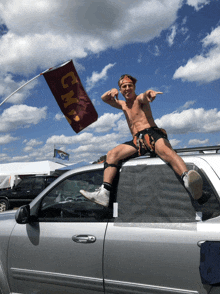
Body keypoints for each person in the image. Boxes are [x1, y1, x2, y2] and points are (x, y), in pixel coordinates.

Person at [80, 74, 203, 207]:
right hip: (137, 141)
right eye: (123, 86)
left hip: (152, 134)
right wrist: (110, 91)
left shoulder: (139, 99)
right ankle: (104, 193)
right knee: (112, 154)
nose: (127, 88)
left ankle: (187, 179)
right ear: (120, 90)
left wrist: (149, 93)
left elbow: (145, 96)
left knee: (165, 151)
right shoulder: (122, 105)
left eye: (130, 86)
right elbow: (104, 99)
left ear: (134, 88)